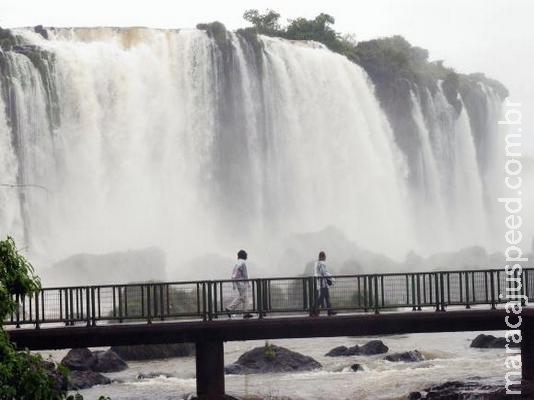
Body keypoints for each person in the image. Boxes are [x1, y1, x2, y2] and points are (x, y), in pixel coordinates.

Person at [225, 249, 253, 319]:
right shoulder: (243, 262)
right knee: (242, 297)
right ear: (244, 256)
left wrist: (234, 284)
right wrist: (247, 282)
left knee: (245, 297)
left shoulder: (237, 262)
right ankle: (229, 308)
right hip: (241, 282)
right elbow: (245, 273)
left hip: (237, 281)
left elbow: (234, 274)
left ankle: (245, 313)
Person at [313, 251, 336, 316]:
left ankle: (330, 310)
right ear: (323, 257)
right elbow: (324, 272)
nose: (325, 258)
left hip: (321, 282)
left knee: (326, 297)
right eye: (325, 256)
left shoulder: (317, 263)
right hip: (323, 283)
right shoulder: (322, 263)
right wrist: (331, 278)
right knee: (322, 298)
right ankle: (315, 310)